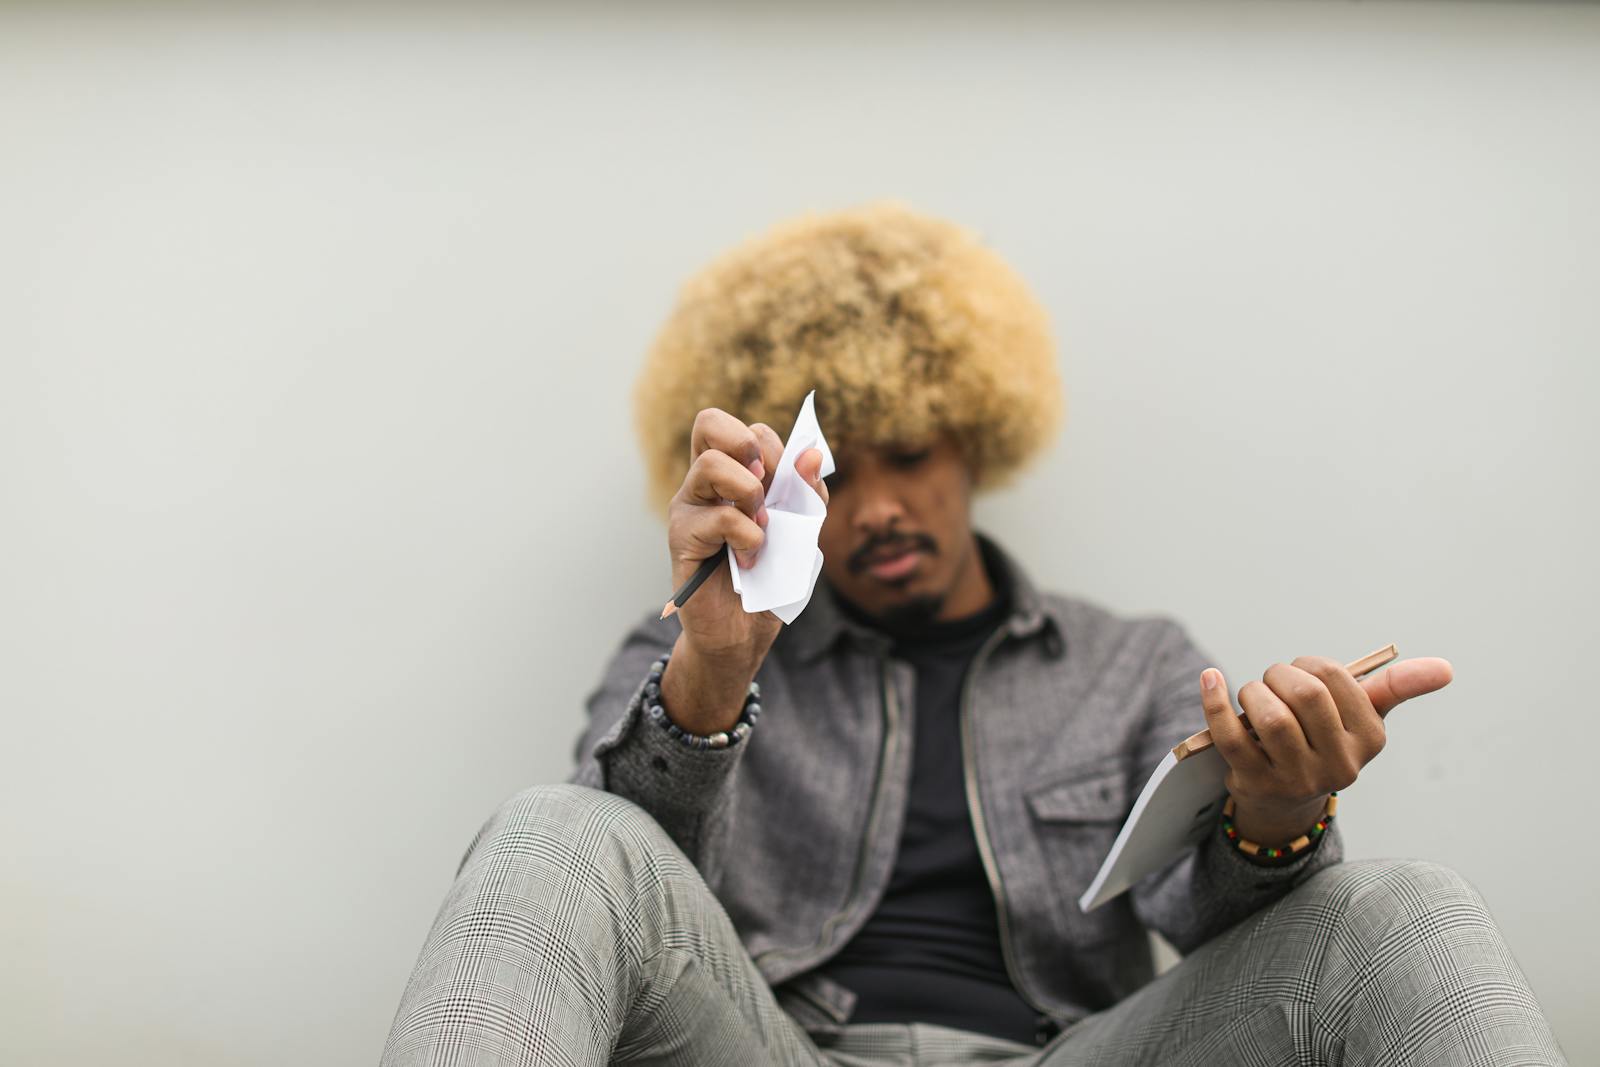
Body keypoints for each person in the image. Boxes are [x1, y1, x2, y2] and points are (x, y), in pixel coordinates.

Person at [382, 204, 1564, 1066]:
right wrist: (717, 666)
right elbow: (622, 893)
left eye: (912, 452)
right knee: (551, 828)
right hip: (772, 1049)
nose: (883, 504)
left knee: (1407, 907)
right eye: (841, 471)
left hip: (1070, 1053)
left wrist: (1276, 810)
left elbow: (1220, 931)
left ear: (976, 437)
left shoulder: (1132, 661)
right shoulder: (708, 636)